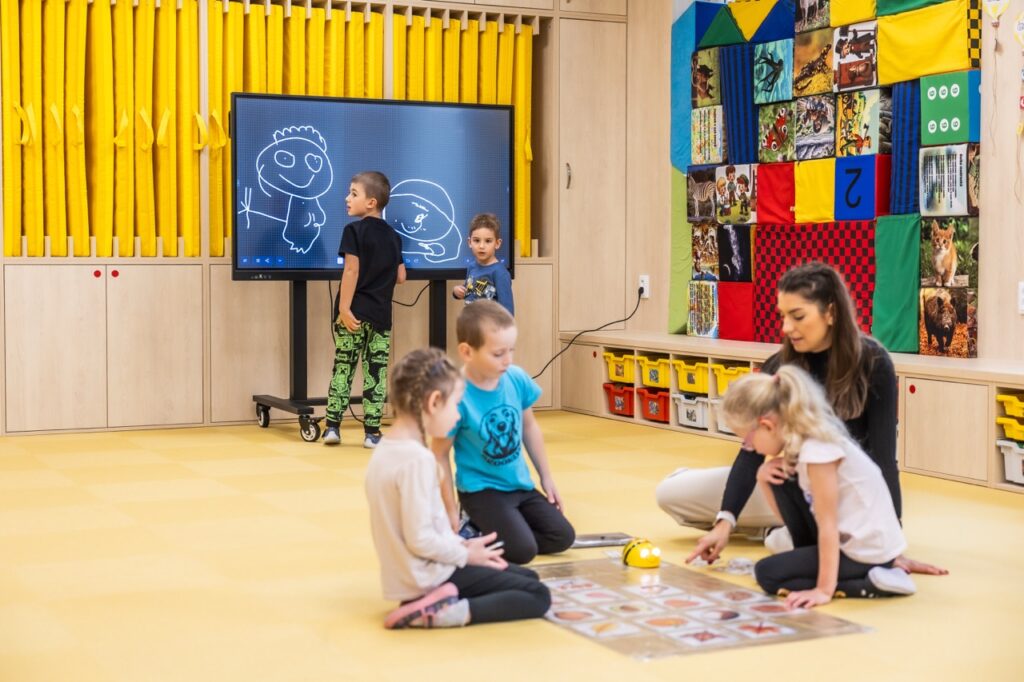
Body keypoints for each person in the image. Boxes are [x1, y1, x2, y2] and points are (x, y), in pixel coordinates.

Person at [656, 262, 946, 576]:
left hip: (843, 501)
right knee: (670, 493)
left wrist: (892, 546)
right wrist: (724, 522)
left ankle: (778, 532)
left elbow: (884, 459)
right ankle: (767, 527)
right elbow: (751, 452)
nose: (786, 328)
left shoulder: (874, 363)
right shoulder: (781, 366)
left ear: (830, 312)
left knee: (786, 545)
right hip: (791, 487)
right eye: (783, 316)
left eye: (797, 316)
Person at [365, 348, 551, 629]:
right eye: (456, 405)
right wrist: (466, 555)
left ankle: (434, 599)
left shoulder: (386, 450)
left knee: (526, 577)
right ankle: (442, 612)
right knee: (538, 594)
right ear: (434, 402)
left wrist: (462, 544)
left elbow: (417, 528)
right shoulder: (417, 460)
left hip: (410, 574)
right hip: (427, 576)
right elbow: (420, 539)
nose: (457, 416)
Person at [719, 366, 916, 607]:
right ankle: (850, 574)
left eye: (747, 441)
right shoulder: (801, 445)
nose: (750, 448)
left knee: (767, 573)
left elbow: (828, 524)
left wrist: (823, 590)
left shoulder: (817, 451)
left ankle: (870, 583)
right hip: (850, 541)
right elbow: (788, 521)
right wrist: (762, 479)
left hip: (866, 551)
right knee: (780, 478)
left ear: (768, 425)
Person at [432, 301, 575, 565]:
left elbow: (529, 427)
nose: (508, 360)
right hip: (481, 491)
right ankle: (473, 527)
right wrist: (449, 511)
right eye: (498, 354)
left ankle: (500, 530)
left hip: (519, 484)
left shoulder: (516, 378)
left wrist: (546, 477)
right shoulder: (456, 395)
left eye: (511, 350)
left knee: (563, 536)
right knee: (523, 551)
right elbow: (439, 454)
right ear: (467, 352)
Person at [324, 171, 406, 448]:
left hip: (354, 315)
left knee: (343, 368)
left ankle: (332, 428)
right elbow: (401, 276)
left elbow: (351, 270)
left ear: (371, 202)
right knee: (376, 373)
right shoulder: (394, 236)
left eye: (353, 193)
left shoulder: (353, 231)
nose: (347, 198)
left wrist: (344, 308)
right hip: (381, 317)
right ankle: (372, 432)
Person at [452, 213, 514, 316]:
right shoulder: (472, 267)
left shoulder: (500, 273)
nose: (481, 246)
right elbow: (471, 290)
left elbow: (508, 312)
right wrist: (456, 292)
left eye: (488, 241)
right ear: (469, 242)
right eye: (476, 240)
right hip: (470, 323)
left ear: (497, 243)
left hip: (489, 325)